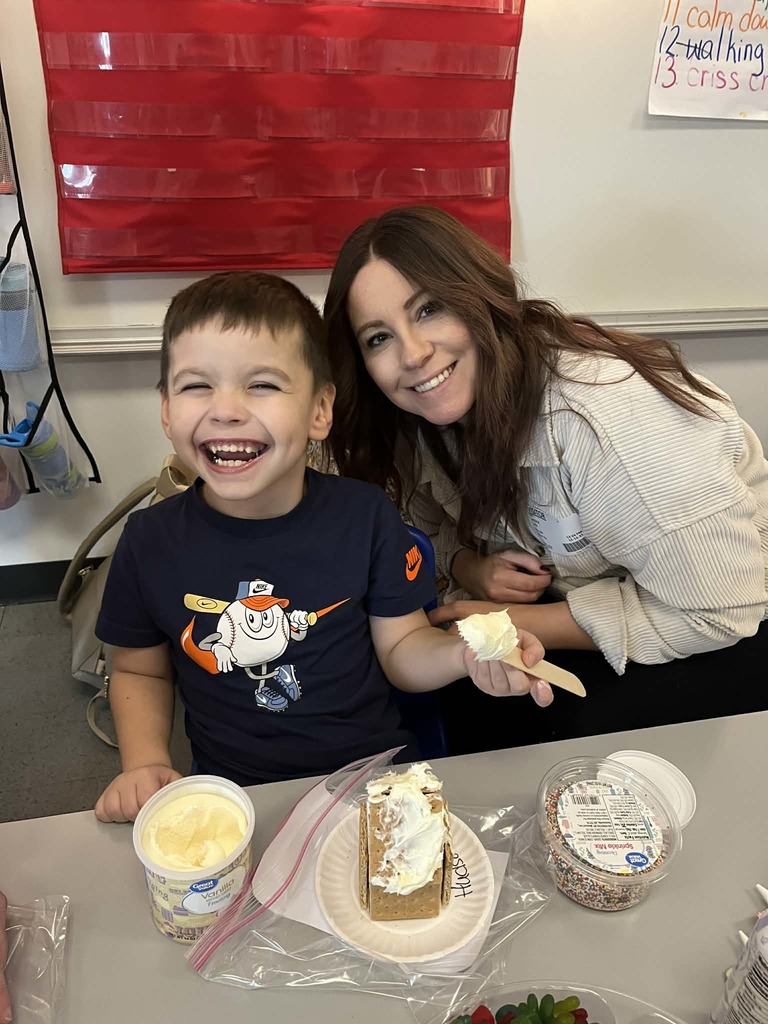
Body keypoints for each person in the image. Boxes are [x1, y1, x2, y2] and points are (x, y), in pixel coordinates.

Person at [94, 271, 551, 822]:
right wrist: (144, 763)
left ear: (319, 410)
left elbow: (403, 648)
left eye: (261, 384)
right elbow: (140, 671)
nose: (227, 409)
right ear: (167, 409)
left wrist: (463, 654)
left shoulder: (366, 517)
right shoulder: (148, 542)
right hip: (238, 796)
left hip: (378, 780)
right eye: (196, 386)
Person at [323, 205, 768, 754]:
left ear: (481, 294)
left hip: (724, 616)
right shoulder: (422, 415)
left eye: (430, 309)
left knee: (526, 741)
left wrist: (511, 617)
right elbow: (422, 514)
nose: (412, 354)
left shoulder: (611, 423)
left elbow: (720, 610)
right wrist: (470, 566)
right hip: (587, 595)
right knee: (462, 703)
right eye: (378, 338)